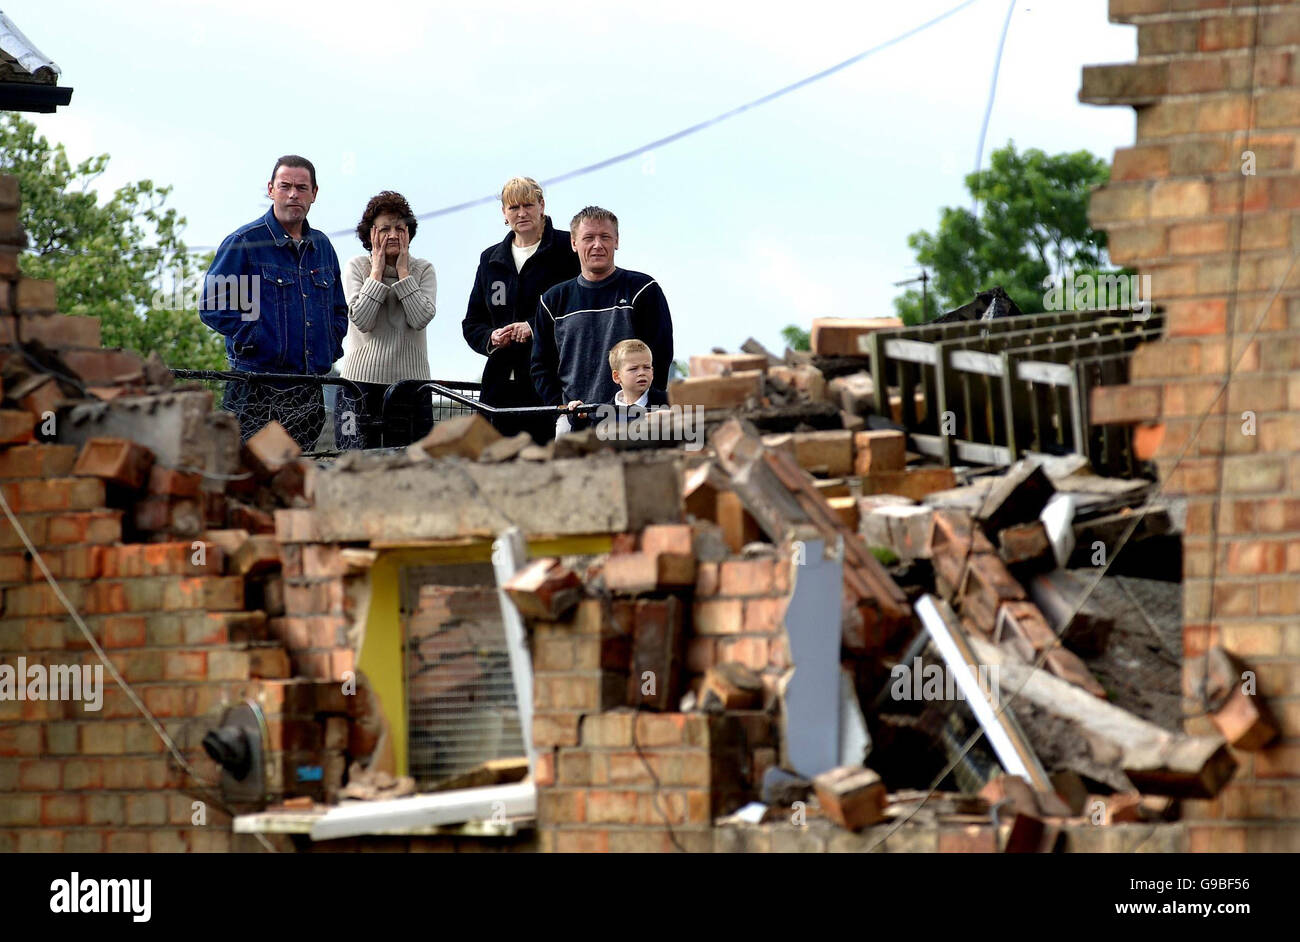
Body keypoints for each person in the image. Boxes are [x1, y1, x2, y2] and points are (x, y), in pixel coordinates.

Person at [199, 155, 348, 449]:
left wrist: (328, 347)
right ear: (271, 189)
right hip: (254, 391)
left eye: (302, 188)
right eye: (285, 186)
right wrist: (256, 337)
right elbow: (212, 305)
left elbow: (339, 310)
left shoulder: (323, 248)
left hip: (308, 392)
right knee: (246, 478)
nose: (293, 194)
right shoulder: (245, 242)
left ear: (314, 194)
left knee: (294, 480)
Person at [531, 205, 673, 437]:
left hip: (633, 419)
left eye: (605, 237)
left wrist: (646, 406)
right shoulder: (553, 300)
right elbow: (540, 364)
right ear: (574, 243)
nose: (597, 245)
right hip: (574, 420)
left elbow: (661, 355)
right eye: (588, 238)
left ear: (616, 241)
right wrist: (560, 406)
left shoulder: (643, 290)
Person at [463, 177, 579, 443]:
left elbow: (578, 310)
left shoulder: (567, 250)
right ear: (504, 213)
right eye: (513, 207)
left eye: (528, 205)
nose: (522, 213)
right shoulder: (490, 259)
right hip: (498, 389)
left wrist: (533, 327)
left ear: (542, 205)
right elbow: (472, 323)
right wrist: (491, 338)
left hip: (551, 385)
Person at [336, 190, 437, 449]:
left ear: (409, 233)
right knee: (356, 464)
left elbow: (420, 317)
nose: (392, 235)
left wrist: (403, 273)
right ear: (371, 234)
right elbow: (362, 319)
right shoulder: (356, 267)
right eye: (384, 229)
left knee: (409, 467)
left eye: (399, 228)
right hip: (359, 386)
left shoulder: (423, 269)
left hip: (411, 386)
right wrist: (377, 272)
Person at [559, 338, 668, 436]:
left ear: (652, 372)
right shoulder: (600, 414)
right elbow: (585, 447)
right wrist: (579, 418)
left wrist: (675, 419)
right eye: (633, 369)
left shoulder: (669, 403)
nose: (641, 373)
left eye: (647, 367)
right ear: (616, 376)